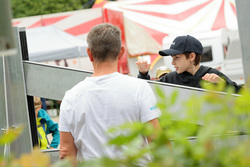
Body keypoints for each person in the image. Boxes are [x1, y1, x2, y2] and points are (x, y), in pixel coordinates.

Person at [59, 23, 162, 164]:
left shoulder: (71, 97)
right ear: (121, 52)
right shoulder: (139, 88)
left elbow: (66, 152)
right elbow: (156, 140)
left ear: (89, 53)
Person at [136, 35, 241, 93]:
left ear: (192, 56)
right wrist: (143, 74)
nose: (172, 62)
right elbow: (147, 92)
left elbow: (240, 94)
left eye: (176, 57)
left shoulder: (213, 74)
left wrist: (223, 84)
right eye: (172, 58)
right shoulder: (170, 78)